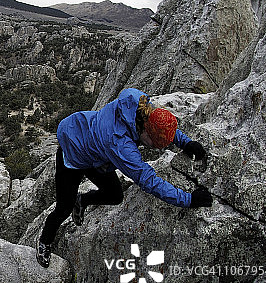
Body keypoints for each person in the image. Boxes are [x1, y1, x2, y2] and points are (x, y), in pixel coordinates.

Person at [36, 88, 213, 268]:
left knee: (115, 195)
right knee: (63, 208)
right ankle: (44, 241)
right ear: (145, 131)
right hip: (73, 152)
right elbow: (149, 181)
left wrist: (185, 142)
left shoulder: (139, 104)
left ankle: (82, 200)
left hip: (96, 151)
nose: (156, 148)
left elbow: (160, 125)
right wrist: (189, 200)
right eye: (154, 144)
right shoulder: (120, 144)